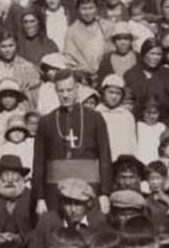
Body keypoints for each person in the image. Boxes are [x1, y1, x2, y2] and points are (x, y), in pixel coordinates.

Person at [31, 69, 112, 215]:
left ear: (77, 89)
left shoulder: (95, 118)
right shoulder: (46, 121)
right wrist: (40, 197)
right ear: (55, 91)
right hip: (55, 190)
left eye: (69, 90)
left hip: (89, 186)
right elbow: (39, 162)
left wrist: (105, 193)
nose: (65, 95)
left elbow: (105, 157)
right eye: (61, 91)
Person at [28, 178, 107, 248]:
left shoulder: (97, 222)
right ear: (61, 203)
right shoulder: (48, 221)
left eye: (78, 204)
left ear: (88, 204)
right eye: (68, 203)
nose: (73, 210)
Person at [0, 155, 33, 245]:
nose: (9, 180)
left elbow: (38, 229)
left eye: (14, 175)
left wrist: (21, 238)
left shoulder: (32, 198)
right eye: (5, 175)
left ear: (22, 178)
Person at [63, 0, 110, 78]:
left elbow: (110, 49)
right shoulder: (72, 31)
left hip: (104, 73)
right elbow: (70, 56)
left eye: (91, 8)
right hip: (82, 75)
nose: (87, 12)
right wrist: (85, 69)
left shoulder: (105, 26)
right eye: (84, 9)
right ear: (78, 10)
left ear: (96, 8)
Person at [95, 74, 136, 161]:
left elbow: (131, 143)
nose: (114, 96)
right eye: (110, 92)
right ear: (103, 93)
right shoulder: (96, 113)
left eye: (118, 93)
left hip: (121, 160)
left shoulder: (127, 116)